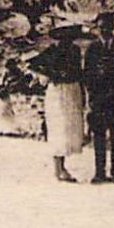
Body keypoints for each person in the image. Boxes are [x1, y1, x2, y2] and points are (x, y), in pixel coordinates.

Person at [30, 23, 86, 182]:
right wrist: (51, 74)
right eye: (64, 37)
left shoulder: (75, 51)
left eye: (70, 37)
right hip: (58, 91)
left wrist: (82, 92)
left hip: (72, 89)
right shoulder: (53, 51)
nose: (66, 40)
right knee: (59, 127)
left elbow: (78, 72)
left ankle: (63, 166)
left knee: (69, 128)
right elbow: (33, 64)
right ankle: (58, 168)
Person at [83, 11, 114, 183]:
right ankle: (99, 172)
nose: (105, 30)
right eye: (102, 27)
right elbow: (87, 75)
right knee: (99, 136)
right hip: (99, 99)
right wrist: (93, 97)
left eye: (108, 26)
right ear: (97, 28)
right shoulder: (92, 48)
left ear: (113, 27)